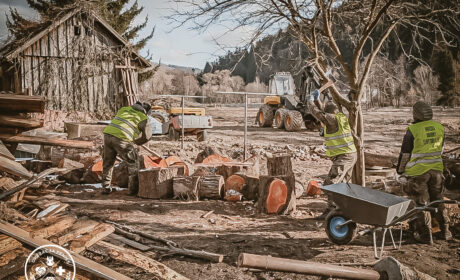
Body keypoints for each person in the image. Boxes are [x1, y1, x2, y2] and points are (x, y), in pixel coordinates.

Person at [396, 101, 451, 244]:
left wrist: (400, 171)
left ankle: (426, 236)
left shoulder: (413, 130)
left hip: (418, 173)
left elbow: (405, 154)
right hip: (437, 171)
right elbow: (441, 149)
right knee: (438, 200)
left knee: (421, 203)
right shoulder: (439, 127)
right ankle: (445, 231)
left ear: (416, 114)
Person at [307, 90, 357, 219]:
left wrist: (310, 101)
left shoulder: (332, 119)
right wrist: (318, 100)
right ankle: (343, 210)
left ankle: (332, 211)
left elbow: (318, 113)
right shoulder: (340, 118)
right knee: (342, 185)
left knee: (331, 184)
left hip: (344, 156)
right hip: (349, 155)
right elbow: (324, 112)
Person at [102, 101, 152, 195]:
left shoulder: (124, 109)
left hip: (107, 135)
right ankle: (133, 190)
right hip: (122, 138)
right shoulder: (143, 117)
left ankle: (105, 187)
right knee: (133, 162)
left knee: (108, 163)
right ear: (146, 111)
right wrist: (137, 142)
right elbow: (147, 136)